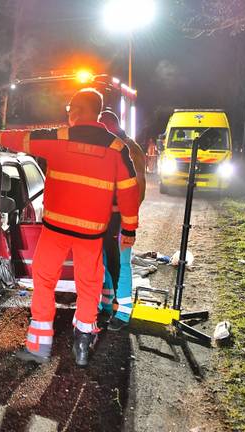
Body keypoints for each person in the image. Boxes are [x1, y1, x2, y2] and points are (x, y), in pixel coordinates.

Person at [0, 88, 140, 367]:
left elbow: (22, 139)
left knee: (44, 282)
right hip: (91, 233)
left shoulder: (59, 137)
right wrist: (129, 230)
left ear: (76, 110)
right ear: (98, 112)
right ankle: (81, 346)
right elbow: (129, 192)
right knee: (89, 286)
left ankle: (40, 346)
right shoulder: (117, 148)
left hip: (56, 231)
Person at [98, 111, 147, 330]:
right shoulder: (109, 147)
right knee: (106, 262)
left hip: (121, 217)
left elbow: (138, 188)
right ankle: (107, 305)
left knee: (122, 264)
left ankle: (124, 313)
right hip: (104, 216)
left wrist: (129, 221)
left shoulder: (130, 149)